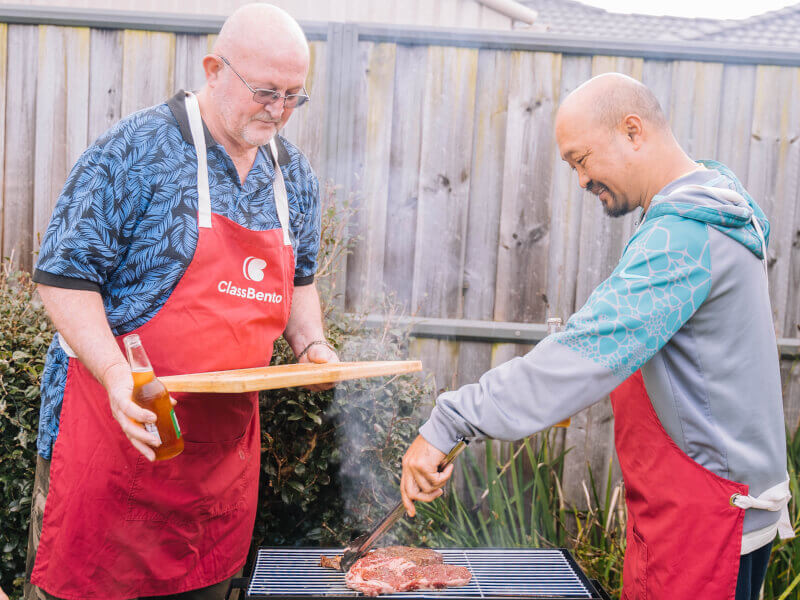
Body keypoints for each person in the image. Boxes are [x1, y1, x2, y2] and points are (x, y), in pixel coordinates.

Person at [400, 73, 793, 600]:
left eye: (580, 159)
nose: (580, 179)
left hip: (703, 523)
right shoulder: (704, 214)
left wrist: (450, 420)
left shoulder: (686, 237)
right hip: (714, 509)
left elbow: (586, 351)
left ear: (633, 131)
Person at [25, 4, 337, 599]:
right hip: (113, 442)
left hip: (216, 466)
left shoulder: (294, 178)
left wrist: (314, 346)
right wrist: (118, 377)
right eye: (266, 91)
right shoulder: (134, 150)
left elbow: (300, 281)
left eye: (294, 96)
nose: (279, 110)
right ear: (214, 68)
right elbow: (62, 277)